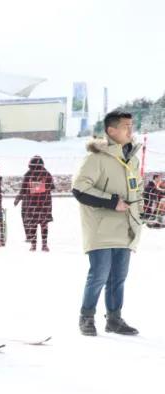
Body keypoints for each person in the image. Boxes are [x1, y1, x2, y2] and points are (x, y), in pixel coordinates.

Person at [72, 110, 143, 336]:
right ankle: (86, 317)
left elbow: (136, 190)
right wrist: (112, 202)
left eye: (132, 125)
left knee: (118, 277)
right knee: (99, 274)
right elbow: (80, 188)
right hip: (101, 228)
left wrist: (141, 212)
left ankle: (114, 319)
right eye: (125, 126)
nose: (130, 130)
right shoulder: (95, 158)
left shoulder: (132, 159)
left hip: (126, 227)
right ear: (111, 131)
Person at [14, 156, 54, 252]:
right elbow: (52, 187)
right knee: (44, 224)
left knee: (33, 224)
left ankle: (33, 245)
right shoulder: (46, 173)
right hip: (44, 203)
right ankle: (44, 245)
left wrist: (18, 198)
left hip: (31, 203)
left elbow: (23, 189)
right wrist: (42, 186)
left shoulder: (28, 174)